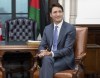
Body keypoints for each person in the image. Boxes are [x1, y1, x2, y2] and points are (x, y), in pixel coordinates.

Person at [37, 3, 76, 78]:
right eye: (55, 12)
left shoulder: (70, 28)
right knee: (46, 60)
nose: (58, 14)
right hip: (49, 58)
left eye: (60, 11)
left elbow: (67, 49)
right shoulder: (47, 28)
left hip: (64, 59)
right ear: (50, 15)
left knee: (44, 69)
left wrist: (51, 53)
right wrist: (43, 52)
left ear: (63, 13)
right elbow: (42, 45)